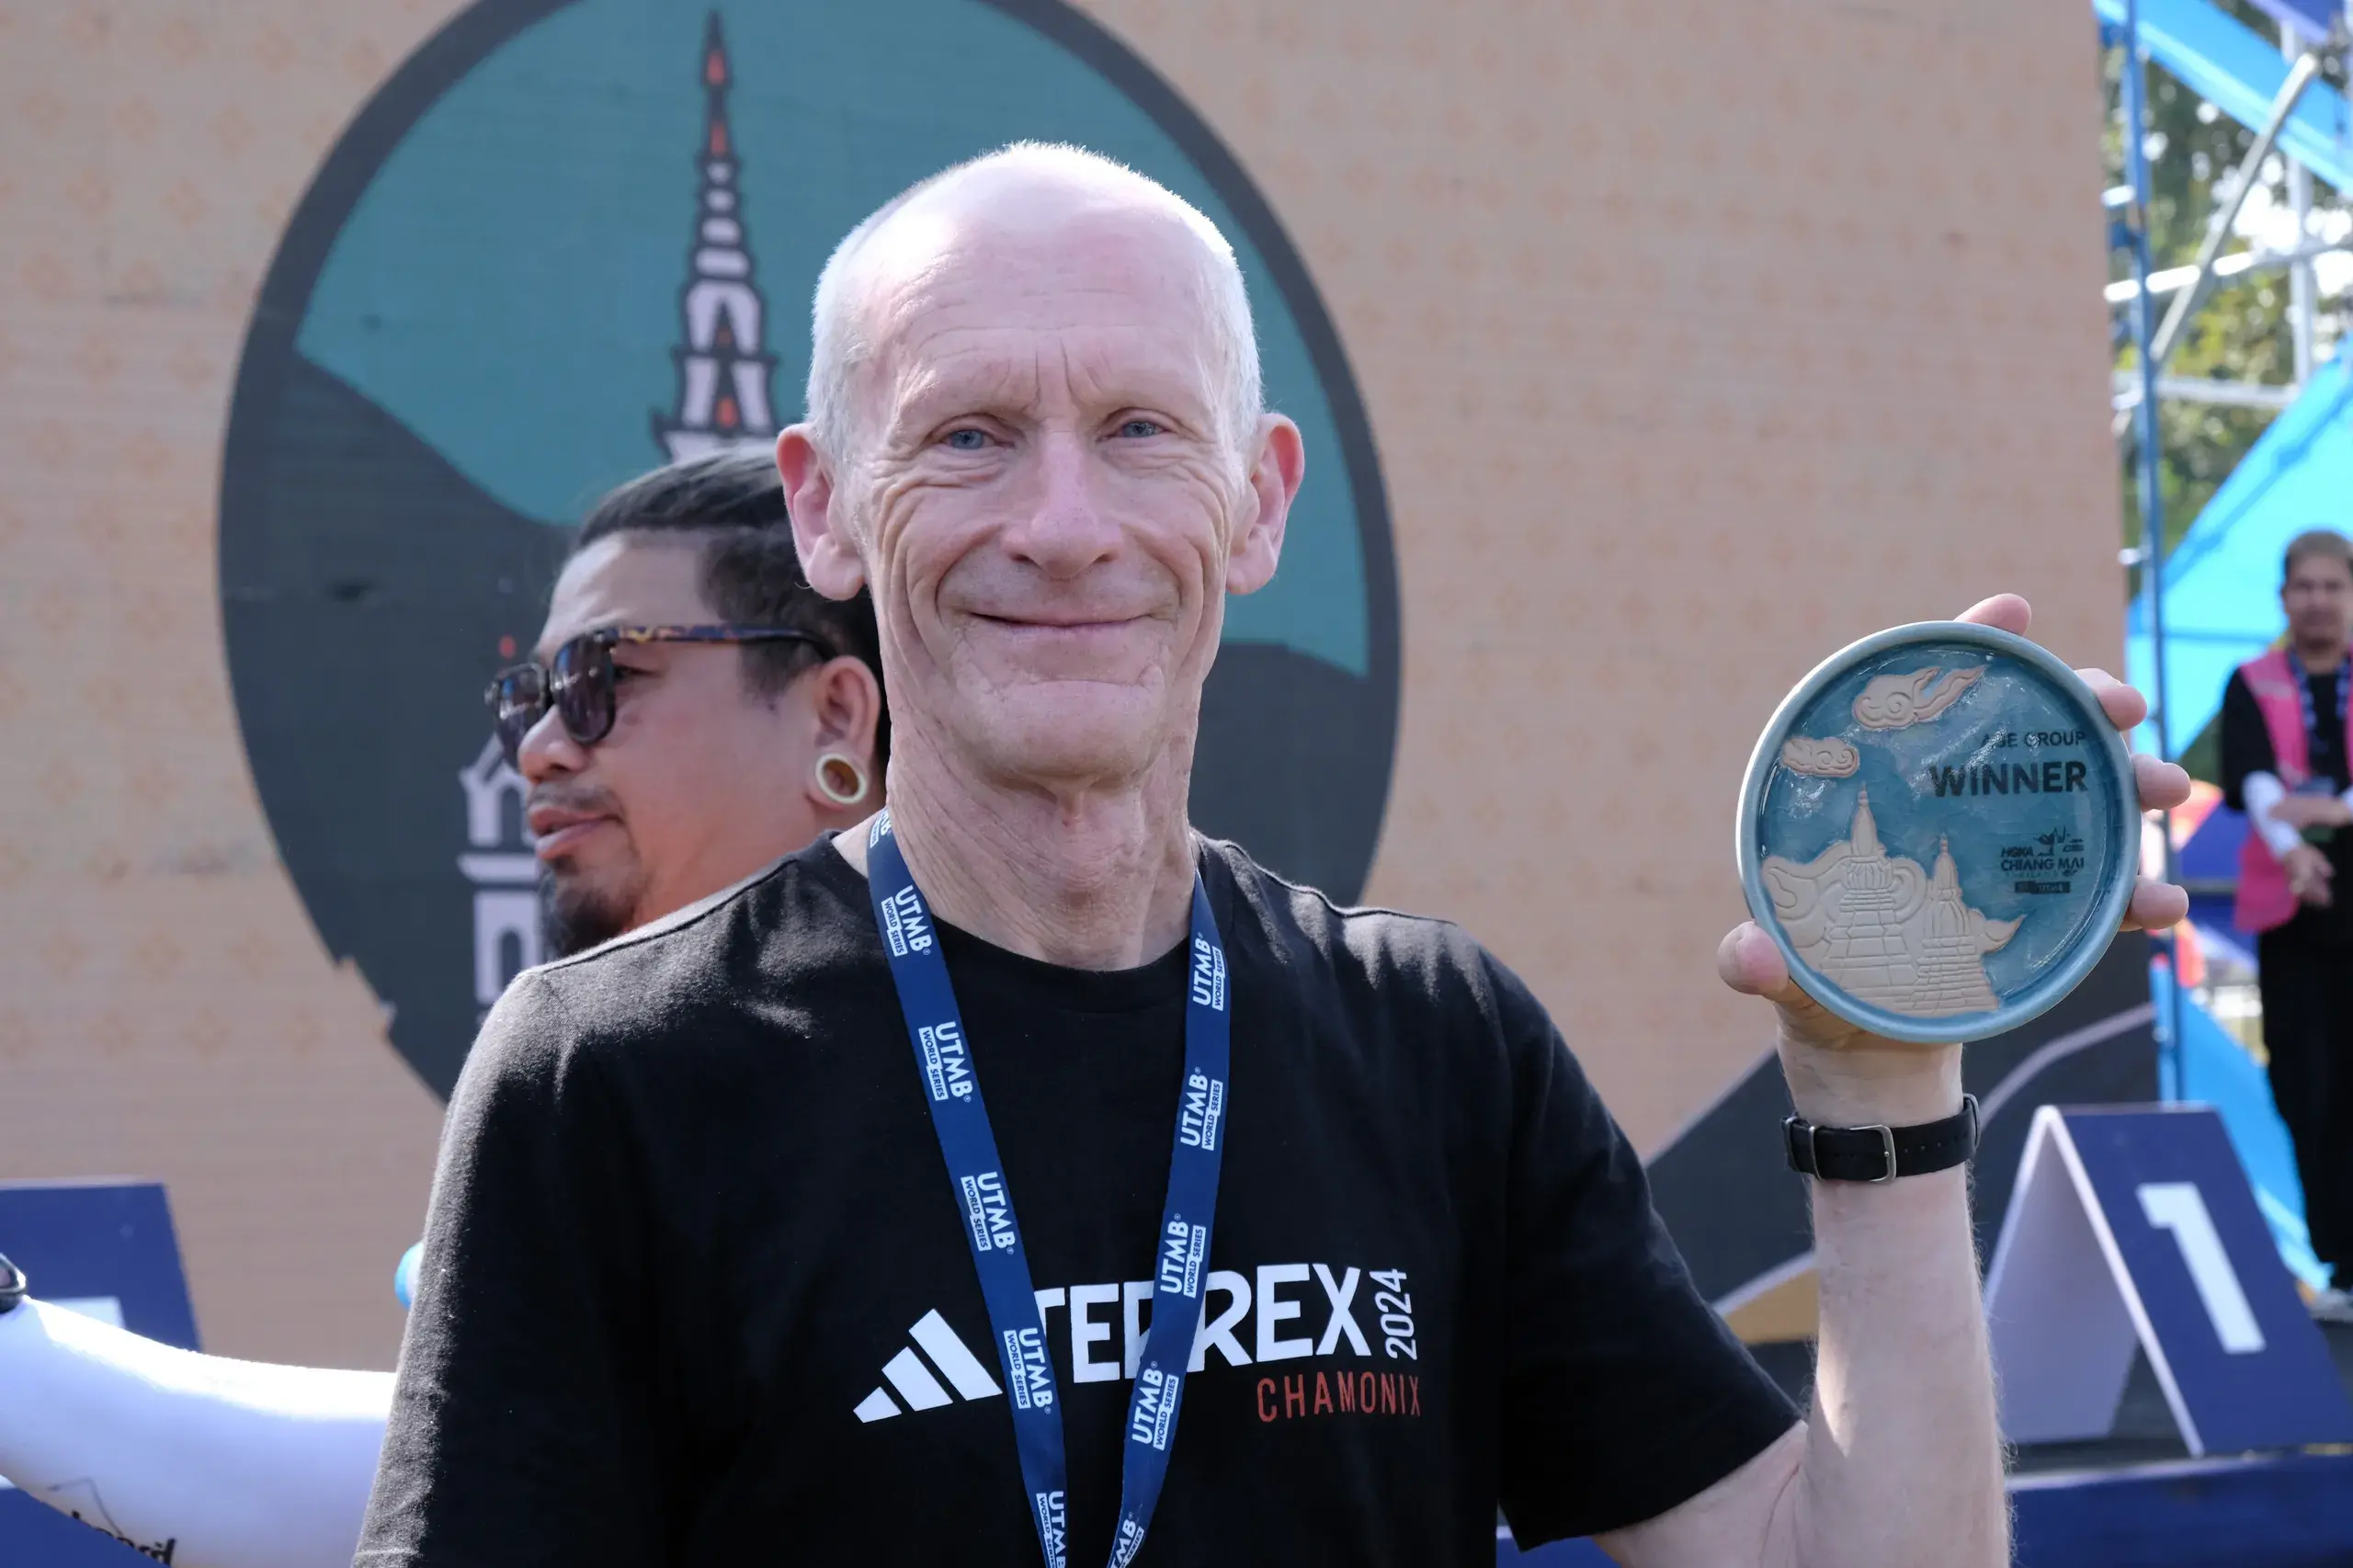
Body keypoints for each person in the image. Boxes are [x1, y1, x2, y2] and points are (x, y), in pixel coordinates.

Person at [356, 143, 2190, 1568]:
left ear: (1257, 500)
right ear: (827, 505)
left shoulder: (1431, 1039)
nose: (1061, 525)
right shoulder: (614, 1075)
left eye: (1141, 430)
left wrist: (1877, 1086)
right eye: (968, 436)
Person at [0, 449, 888, 1568]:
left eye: (605, 678)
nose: (538, 745)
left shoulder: (1035, 1070)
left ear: (836, 711)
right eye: (535, 693)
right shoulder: (605, 1105)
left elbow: (431, 1493)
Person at [2221, 527, 2353, 1322]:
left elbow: (2322, 797)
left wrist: (2336, 809)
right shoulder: (2251, 683)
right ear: (2282, 597)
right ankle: (2342, 1263)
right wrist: (2295, 850)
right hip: (2293, 920)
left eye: (2333, 586)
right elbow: (2253, 778)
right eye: (2304, 586)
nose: (2318, 600)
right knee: (2309, 1087)